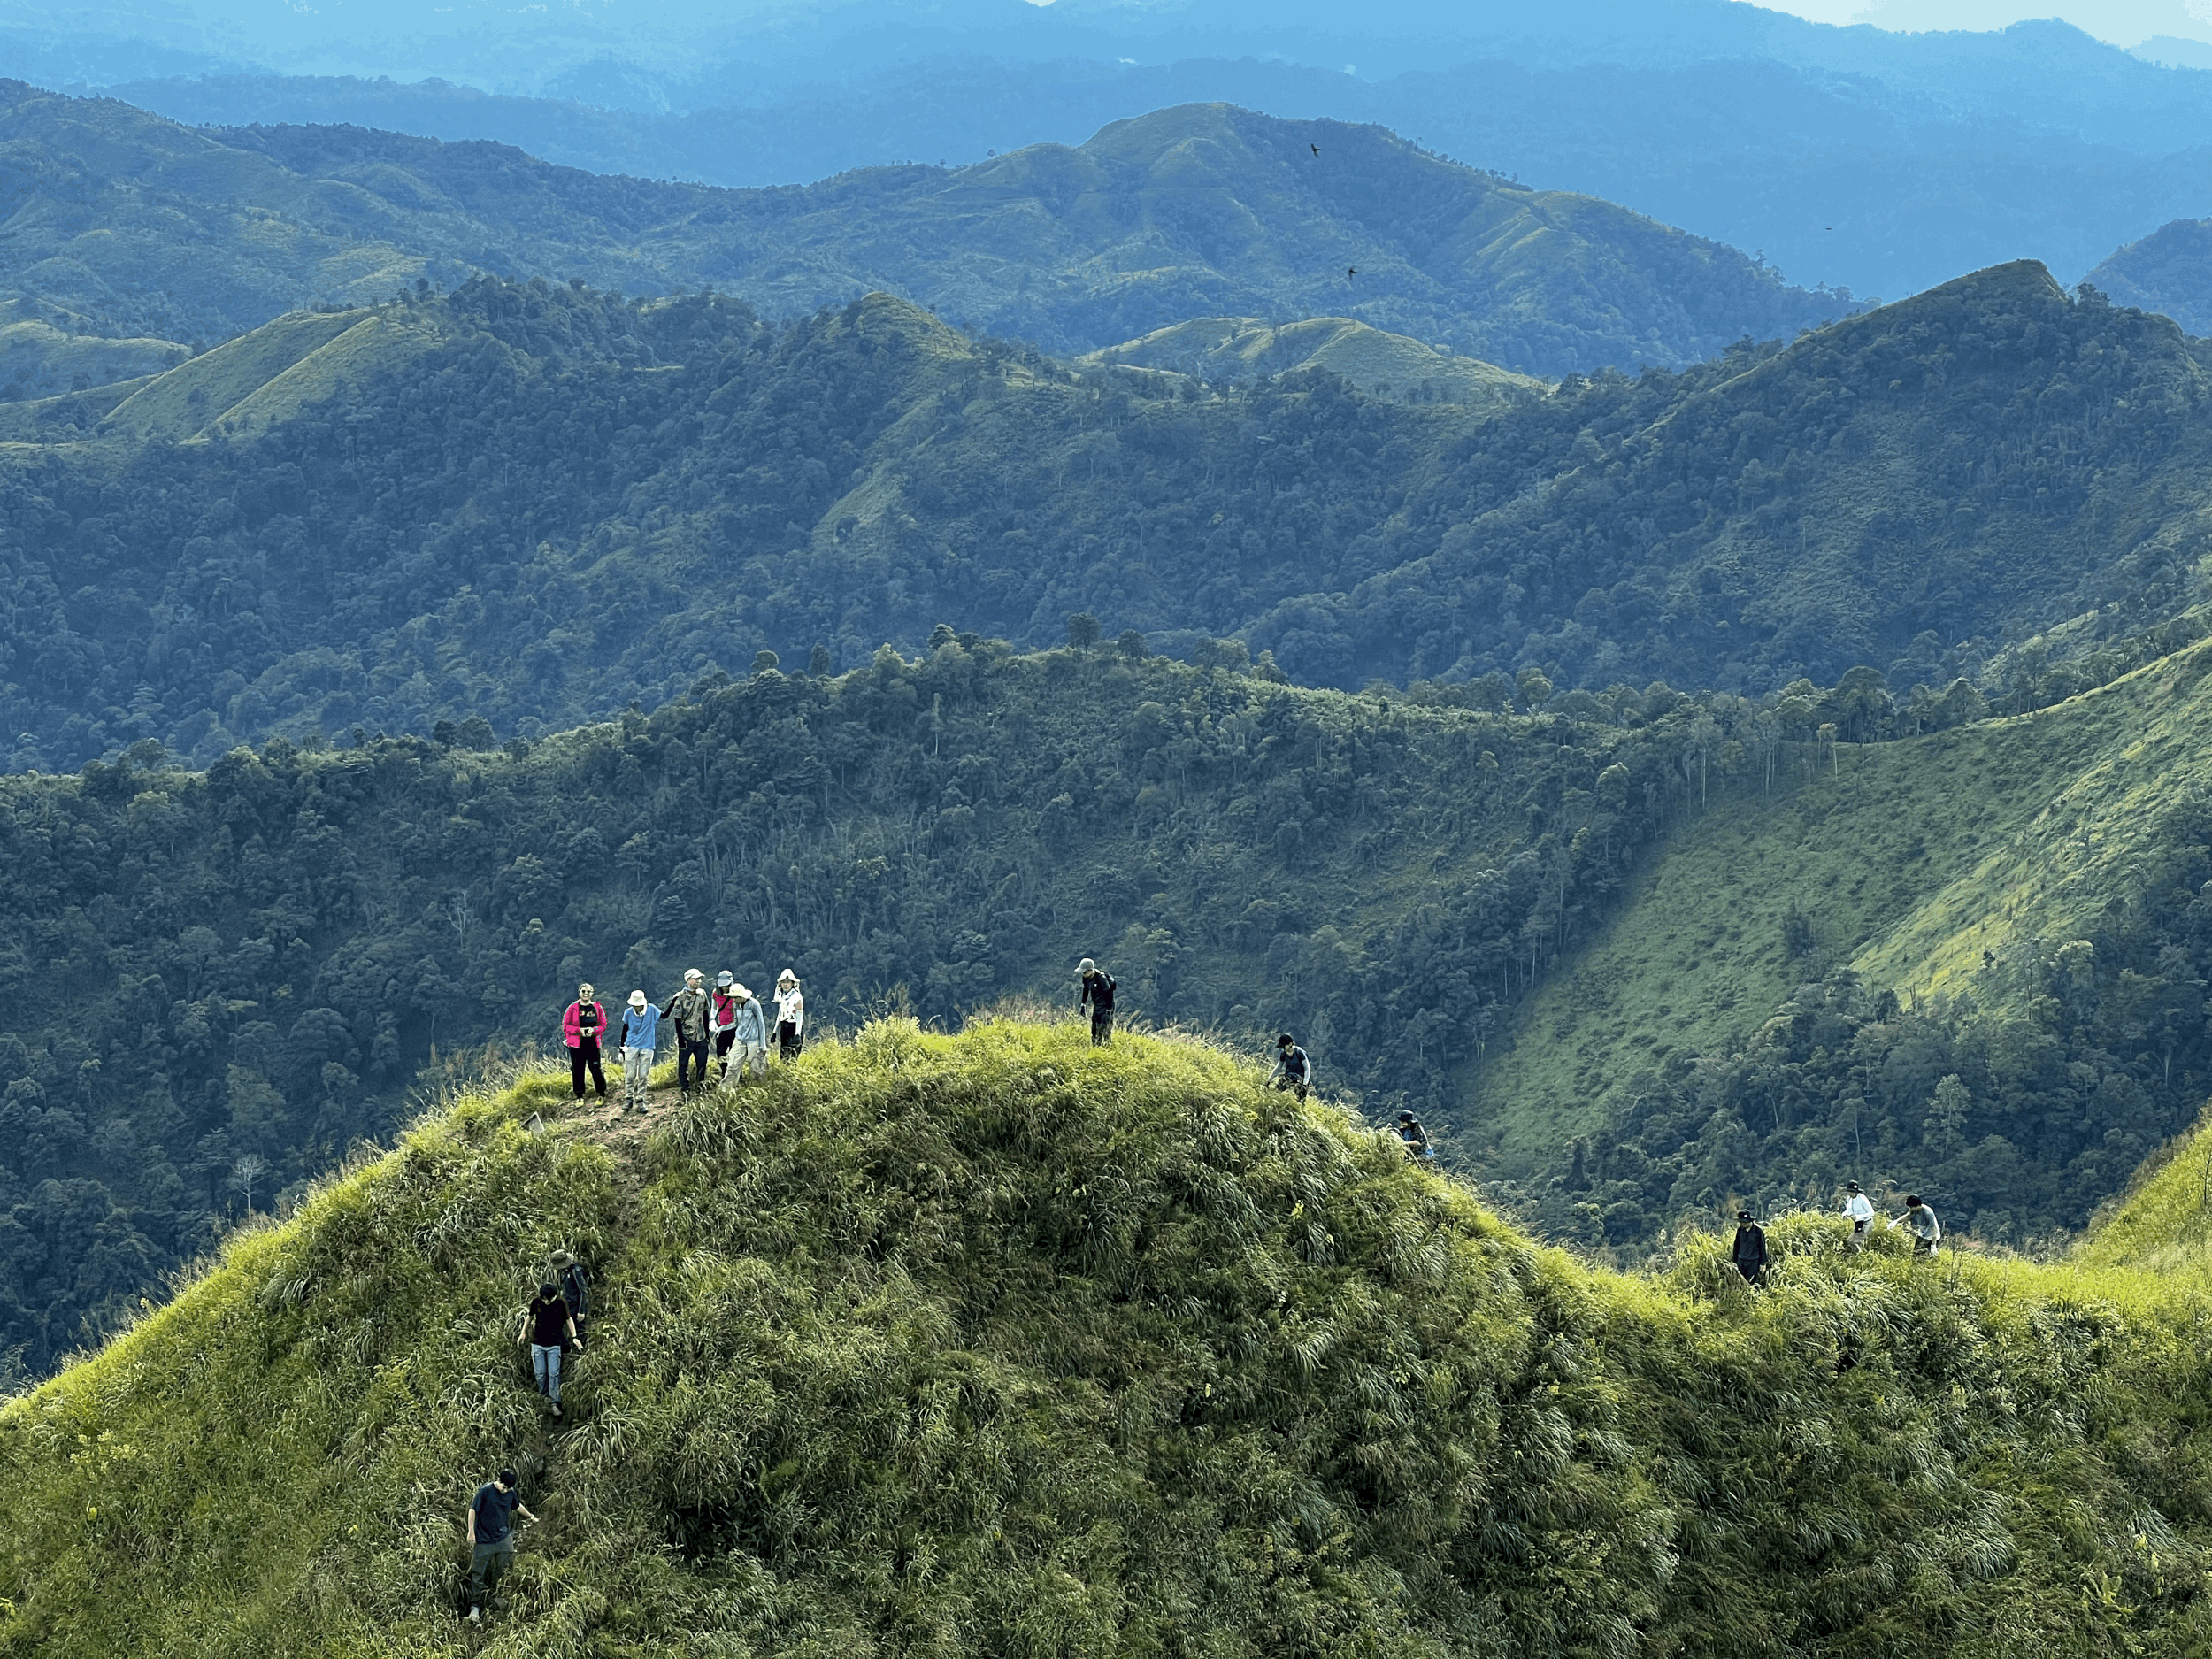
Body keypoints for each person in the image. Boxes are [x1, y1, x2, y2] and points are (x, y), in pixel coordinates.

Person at [465, 1468, 540, 1623]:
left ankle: (499, 1599)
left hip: (503, 1538)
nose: (505, 1491)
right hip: (484, 1540)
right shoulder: (485, 1491)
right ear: (498, 1481)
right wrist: (471, 1532)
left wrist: (532, 1517)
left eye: (508, 1488)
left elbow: (517, 1506)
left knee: (505, 1570)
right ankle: (475, 1607)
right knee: (478, 1573)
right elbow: (473, 1510)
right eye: (503, 1487)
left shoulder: (510, 1493)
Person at [518, 1280, 582, 1417]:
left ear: (554, 1296)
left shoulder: (561, 1303)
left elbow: (569, 1320)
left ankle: (554, 1403)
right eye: (544, 1299)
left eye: (548, 1299)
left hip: (554, 1345)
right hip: (537, 1344)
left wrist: (574, 1337)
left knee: (553, 1374)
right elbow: (529, 1317)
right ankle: (544, 1399)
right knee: (540, 1373)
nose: (546, 1302)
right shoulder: (536, 1302)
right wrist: (523, 1332)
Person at [664, 969, 716, 1096]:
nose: (699, 981)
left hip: (701, 1035)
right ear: (688, 980)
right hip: (687, 1036)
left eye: (700, 979)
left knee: (702, 1063)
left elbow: (705, 1012)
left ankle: (700, 1086)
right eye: (696, 979)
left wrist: (707, 1033)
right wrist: (681, 1040)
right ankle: (685, 1088)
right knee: (683, 1064)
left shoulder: (702, 994)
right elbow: (677, 1019)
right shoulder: (680, 997)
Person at [562, 982, 609, 1101]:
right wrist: (579, 1031)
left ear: (592, 993)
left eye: (588, 991)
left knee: (596, 1068)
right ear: (579, 993)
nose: (586, 994)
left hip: (593, 1043)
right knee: (578, 1070)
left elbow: (603, 1025)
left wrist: (594, 1030)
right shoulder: (572, 1008)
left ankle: (601, 1093)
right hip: (576, 1045)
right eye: (583, 991)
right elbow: (565, 1026)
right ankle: (579, 1096)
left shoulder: (597, 1008)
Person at [618, 990, 660, 1114]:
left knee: (643, 1075)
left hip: (647, 1046)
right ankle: (628, 1097)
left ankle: (641, 1099)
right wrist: (621, 1047)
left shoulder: (651, 1010)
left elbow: (664, 1015)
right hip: (631, 1045)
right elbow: (625, 1029)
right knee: (630, 1075)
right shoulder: (628, 1013)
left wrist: (674, 1001)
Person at [731, 980, 770, 1079]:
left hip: (754, 1039)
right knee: (732, 1066)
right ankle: (727, 1087)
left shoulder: (754, 1004)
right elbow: (737, 1021)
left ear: (741, 996)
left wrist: (763, 1044)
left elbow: (761, 1024)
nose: (733, 999)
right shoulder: (735, 1005)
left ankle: (758, 1087)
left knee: (757, 1068)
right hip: (740, 1038)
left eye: (735, 997)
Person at [1078, 956, 1116, 1045]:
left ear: (1090, 971)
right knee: (1094, 1028)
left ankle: (1107, 1047)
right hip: (1097, 1005)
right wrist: (1083, 1004)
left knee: (1105, 1028)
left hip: (1106, 1005)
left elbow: (1109, 993)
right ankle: (1095, 1046)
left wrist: (1109, 1009)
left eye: (1084, 972)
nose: (1083, 974)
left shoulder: (1101, 978)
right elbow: (1086, 989)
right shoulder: (1086, 978)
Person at [552, 1248, 588, 1340]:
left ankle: (581, 1347)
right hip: (569, 1306)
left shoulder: (575, 1271)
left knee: (580, 1331)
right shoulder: (567, 1272)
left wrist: (581, 1311)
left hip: (576, 1306)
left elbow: (583, 1291)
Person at [711, 971, 741, 1079]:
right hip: (721, 1028)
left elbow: (738, 1017)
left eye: (726, 985)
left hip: (734, 1029)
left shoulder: (735, 994)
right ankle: (725, 1076)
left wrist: (724, 1027)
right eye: (722, 986)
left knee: (735, 1055)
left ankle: (738, 1078)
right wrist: (712, 1019)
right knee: (721, 1054)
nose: (724, 988)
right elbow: (714, 1008)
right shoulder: (716, 993)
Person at [1893, 1194, 1942, 1259]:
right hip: (1922, 1234)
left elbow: (1933, 1228)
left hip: (1931, 1237)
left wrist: (1933, 1244)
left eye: (1911, 1207)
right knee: (1915, 1255)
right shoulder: (1913, 1210)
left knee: (1925, 1258)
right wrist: (1896, 1221)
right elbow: (1908, 1216)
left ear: (1918, 1205)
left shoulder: (1928, 1213)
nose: (1910, 1209)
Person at [1731, 1210, 1769, 1286]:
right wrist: (1734, 1261)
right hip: (1741, 1261)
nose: (1743, 1224)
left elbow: (1762, 1247)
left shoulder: (1758, 1231)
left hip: (1753, 1261)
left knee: (1753, 1284)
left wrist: (1763, 1263)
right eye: (1741, 1222)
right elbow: (1736, 1245)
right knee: (1741, 1283)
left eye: (1745, 1222)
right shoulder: (1740, 1230)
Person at [774, 970, 805, 1061]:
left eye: (788, 982)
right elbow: (780, 1014)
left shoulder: (797, 997)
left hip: (794, 1026)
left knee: (793, 1057)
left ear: (792, 983)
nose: (785, 984)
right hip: (784, 1028)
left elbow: (799, 1015)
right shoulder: (782, 997)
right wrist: (774, 1031)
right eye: (783, 982)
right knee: (784, 1056)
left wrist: (797, 1033)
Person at [1270, 1033, 1310, 1101]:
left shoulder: (1299, 1052)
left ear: (1290, 1044)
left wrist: (1305, 1084)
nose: (1283, 1048)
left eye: (1284, 1046)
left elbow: (1307, 1068)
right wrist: (1269, 1080)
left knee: (1300, 1097)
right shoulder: (1283, 1053)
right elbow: (1278, 1068)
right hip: (1289, 1076)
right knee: (1279, 1086)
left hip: (1300, 1078)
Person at [1841, 1180, 1875, 1251]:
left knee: (1853, 1241)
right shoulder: (1849, 1199)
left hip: (1866, 1223)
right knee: (1850, 1240)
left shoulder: (1862, 1199)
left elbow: (1871, 1213)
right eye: (1850, 1192)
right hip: (1858, 1224)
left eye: (1853, 1192)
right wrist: (1845, 1214)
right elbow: (1849, 1210)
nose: (1851, 1194)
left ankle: (1859, 1254)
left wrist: (1858, 1217)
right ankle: (1857, 1253)